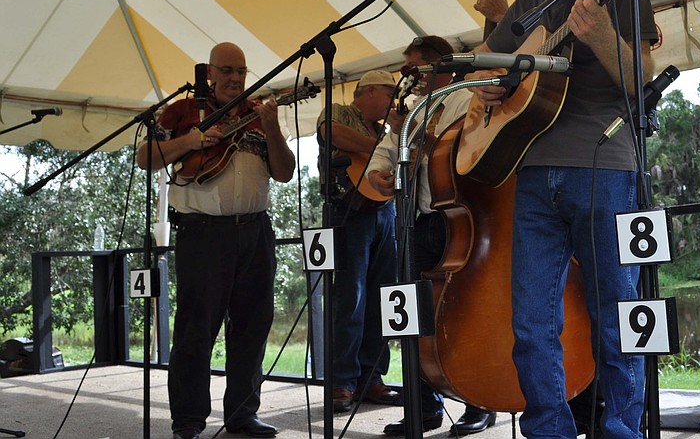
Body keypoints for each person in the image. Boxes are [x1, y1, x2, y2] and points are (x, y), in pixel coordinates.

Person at [469, 0, 658, 439]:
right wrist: (488, 92)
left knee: (616, 312)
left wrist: (599, 34)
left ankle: (623, 425)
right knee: (530, 323)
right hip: (531, 176)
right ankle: (548, 429)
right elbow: (490, 67)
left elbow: (640, 80)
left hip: (604, 165)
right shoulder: (526, 5)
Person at [137, 42, 296, 439]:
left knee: (252, 326)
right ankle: (188, 421)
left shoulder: (259, 113)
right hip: (203, 233)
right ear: (209, 72)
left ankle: (242, 414)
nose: (235, 79)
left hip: (256, 231)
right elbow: (145, 156)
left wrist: (273, 126)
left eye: (240, 72)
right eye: (226, 71)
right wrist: (188, 142)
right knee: (196, 329)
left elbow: (284, 172)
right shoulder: (181, 111)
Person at [365, 36, 497, 436]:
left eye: (416, 67)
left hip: (461, 219)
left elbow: (472, 149)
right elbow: (385, 152)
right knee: (412, 316)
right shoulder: (413, 110)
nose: (412, 77)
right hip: (417, 223)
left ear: (441, 64)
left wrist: (420, 141)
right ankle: (422, 408)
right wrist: (378, 173)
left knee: (463, 312)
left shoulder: (466, 98)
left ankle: (480, 403)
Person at [316, 70, 402, 413]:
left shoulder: (385, 127)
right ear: (367, 92)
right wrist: (383, 145)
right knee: (349, 295)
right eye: (388, 93)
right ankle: (342, 381)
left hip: (384, 212)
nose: (393, 100)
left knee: (382, 296)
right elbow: (330, 133)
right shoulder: (340, 111)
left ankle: (371, 377)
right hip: (347, 210)